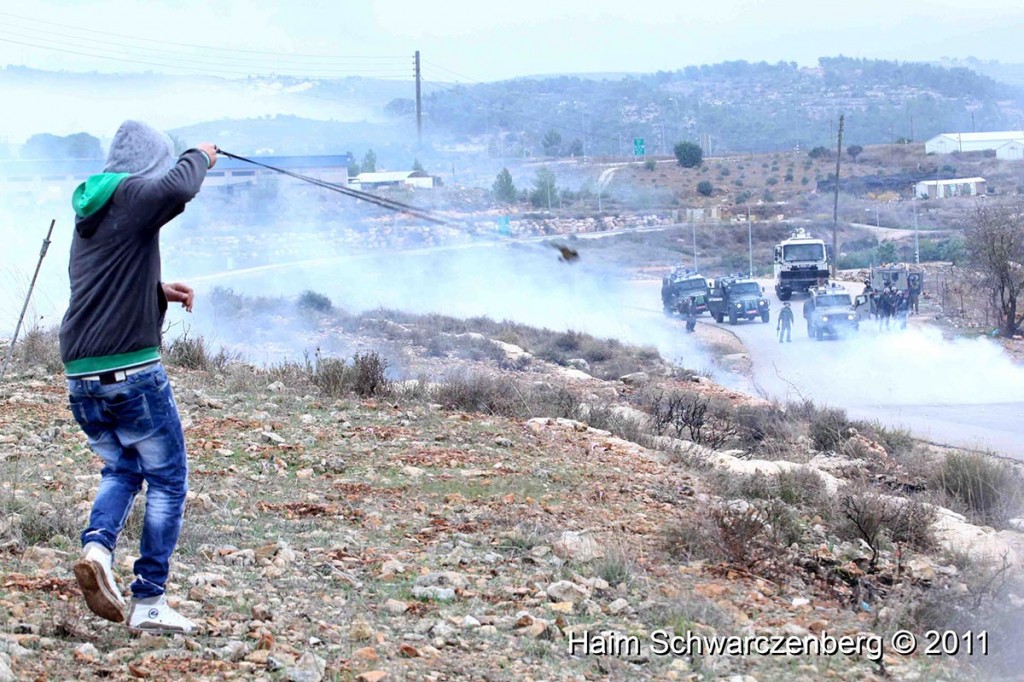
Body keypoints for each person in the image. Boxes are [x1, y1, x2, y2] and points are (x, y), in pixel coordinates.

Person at [60, 121, 217, 634]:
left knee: (123, 470)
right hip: (132, 374)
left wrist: (155, 292)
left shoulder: (93, 209)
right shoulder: (132, 193)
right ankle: (149, 600)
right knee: (168, 479)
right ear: (149, 164)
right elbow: (178, 186)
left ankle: (98, 551)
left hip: (82, 377)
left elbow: (103, 287)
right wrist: (200, 154)